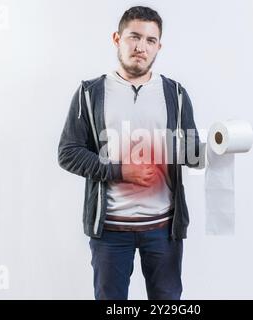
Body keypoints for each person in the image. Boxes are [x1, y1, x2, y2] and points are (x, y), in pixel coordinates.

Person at [58, 5, 205, 300]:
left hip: (163, 230)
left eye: (150, 40)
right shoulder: (90, 92)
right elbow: (68, 152)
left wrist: (214, 148)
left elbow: (192, 152)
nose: (141, 47)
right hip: (110, 231)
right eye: (134, 37)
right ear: (117, 39)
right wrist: (120, 170)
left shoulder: (175, 93)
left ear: (158, 46)